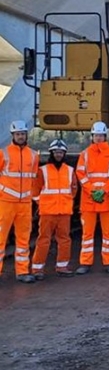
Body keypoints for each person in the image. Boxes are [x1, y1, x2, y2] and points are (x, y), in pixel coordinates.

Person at [75, 121, 109, 275]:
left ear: (105, 136)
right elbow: (80, 174)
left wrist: (104, 190)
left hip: (106, 200)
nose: (99, 138)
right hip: (89, 200)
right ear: (92, 137)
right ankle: (85, 262)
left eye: (101, 135)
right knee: (87, 234)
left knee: (108, 234)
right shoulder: (85, 154)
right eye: (96, 135)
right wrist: (93, 191)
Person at [31, 140, 78, 279]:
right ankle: (37, 269)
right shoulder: (42, 170)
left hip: (64, 212)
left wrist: (67, 201)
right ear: (51, 153)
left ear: (64, 154)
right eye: (56, 152)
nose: (58, 154)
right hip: (47, 213)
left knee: (64, 240)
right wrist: (43, 203)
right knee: (43, 240)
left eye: (61, 152)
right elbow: (34, 191)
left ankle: (62, 266)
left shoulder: (70, 170)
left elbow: (74, 189)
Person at [0, 120, 39, 283]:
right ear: (13, 136)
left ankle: (22, 271)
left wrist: (36, 200)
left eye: (23, 134)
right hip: (6, 202)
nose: (21, 136)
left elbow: (34, 179)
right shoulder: (4, 153)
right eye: (18, 134)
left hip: (25, 203)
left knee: (23, 238)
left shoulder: (33, 155)